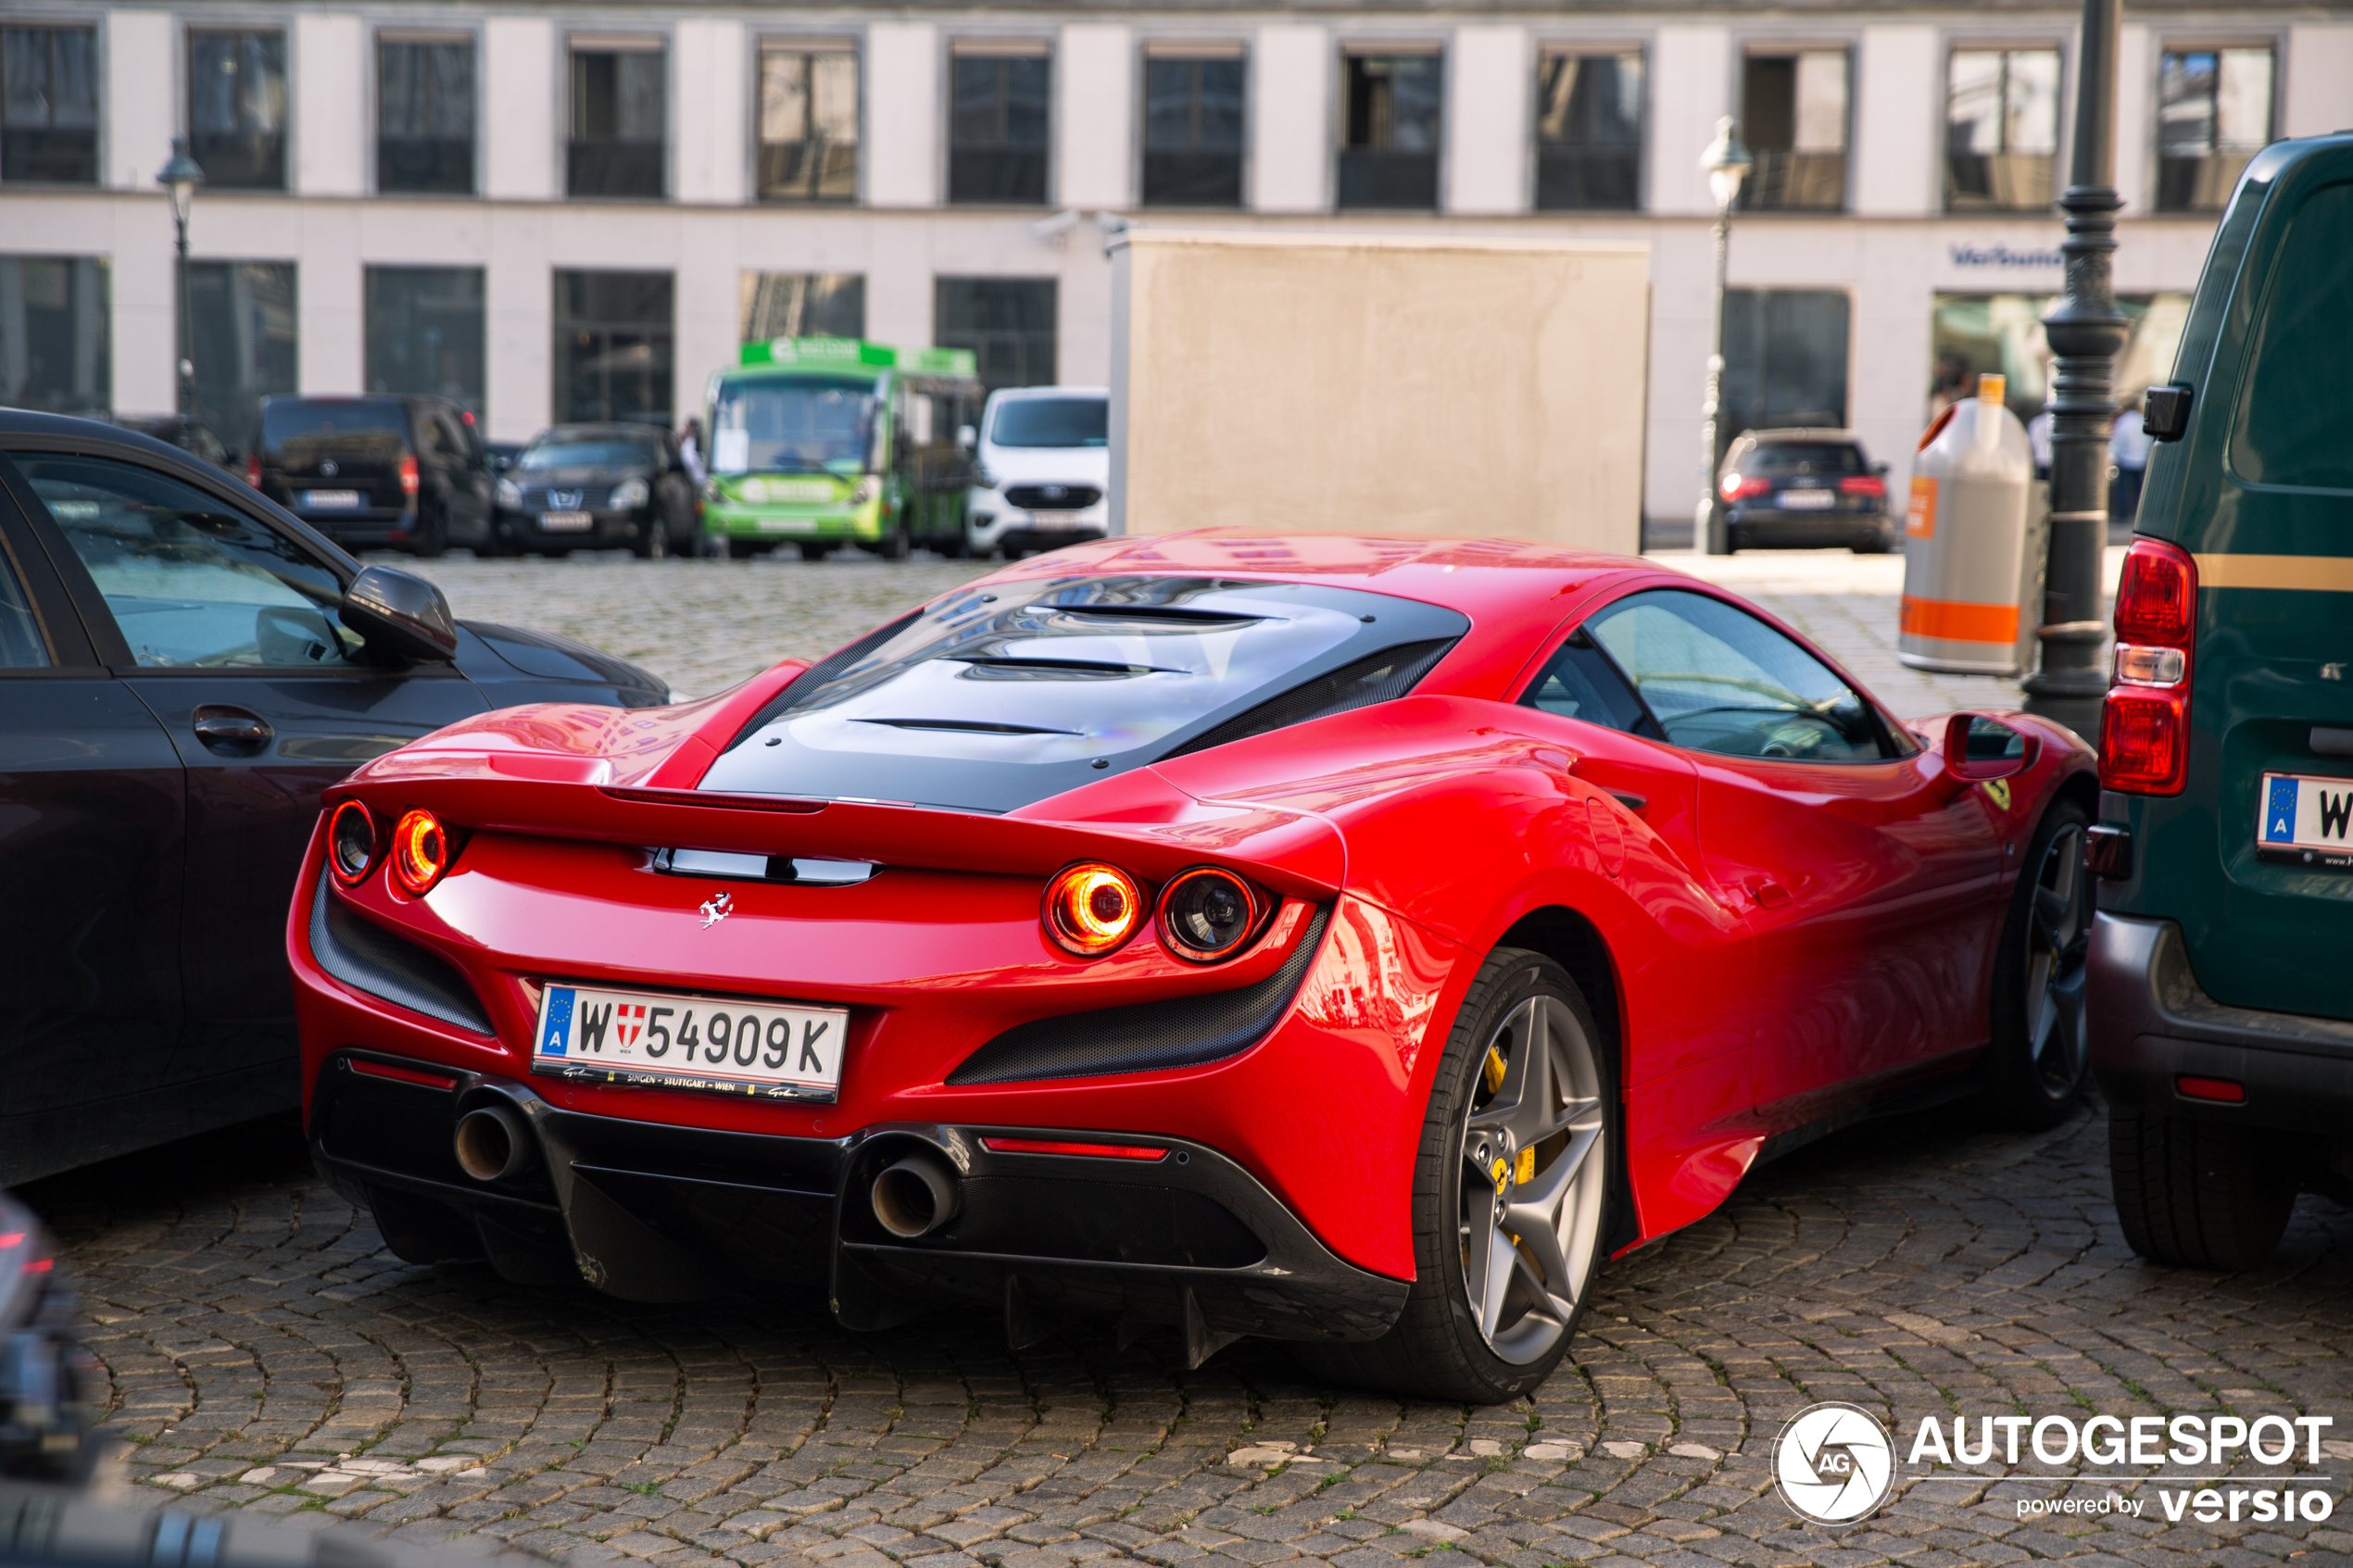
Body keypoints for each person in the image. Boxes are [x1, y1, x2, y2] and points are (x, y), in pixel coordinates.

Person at [2109, 397, 2150, 529]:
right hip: (2141, 458)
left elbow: (2118, 441)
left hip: (2126, 459)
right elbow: (2148, 439)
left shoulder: (2123, 422)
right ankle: (2141, 514)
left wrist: (2116, 456)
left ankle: (2123, 515)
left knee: (2124, 489)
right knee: (2140, 489)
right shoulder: (2141, 420)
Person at [678, 417, 707, 487]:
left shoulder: (692, 441)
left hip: (697, 479)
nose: (685, 429)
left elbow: (689, 461)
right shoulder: (690, 441)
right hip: (696, 479)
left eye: (687, 427)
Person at [2027, 408, 2053, 482]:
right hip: (2052, 460)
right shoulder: (2055, 421)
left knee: (2041, 482)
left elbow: (2031, 440)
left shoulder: (2036, 421)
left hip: (2039, 458)